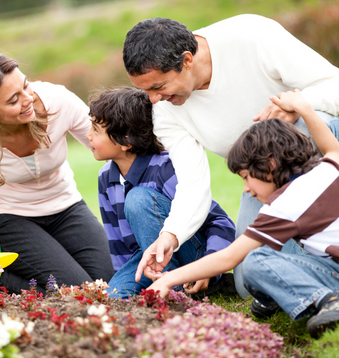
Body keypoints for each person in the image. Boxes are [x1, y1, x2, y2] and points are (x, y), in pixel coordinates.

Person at [122, 14, 339, 297]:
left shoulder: (252, 36)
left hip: (319, 154)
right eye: (145, 90)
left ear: (187, 60)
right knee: (249, 284)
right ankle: (318, 273)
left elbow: (333, 83)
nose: (153, 99)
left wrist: (300, 104)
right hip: (263, 179)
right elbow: (192, 183)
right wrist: (170, 236)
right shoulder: (165, 111)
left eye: (158, 87)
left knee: (312, 122)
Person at [141, 89, 339, 338]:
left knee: (256, 261)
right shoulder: (329, 165)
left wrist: (169, 279)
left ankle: (328, 302)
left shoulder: (285, 204)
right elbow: (329, 144)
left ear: (270, 166)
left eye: (246, 178)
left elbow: (228, 259)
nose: (246, 189)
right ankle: (277, 296)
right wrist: (304, 108)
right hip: (331, 263)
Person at [0, 53, 114, 294]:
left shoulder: (58, 102)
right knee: (77, 291)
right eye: (14, 100)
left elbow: (103, 141)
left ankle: (12, 279)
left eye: (26, 86)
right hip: (6, 215)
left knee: (108, 284)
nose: (28, 99)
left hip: (65, 207)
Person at [86, 87, 236, 299]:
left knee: (138, 199)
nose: (87, 135)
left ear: (126, 141)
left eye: (95, 129)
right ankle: (166, 290)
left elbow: (221, 222)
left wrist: (209, 266)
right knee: (112, 298)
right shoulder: (106, 178)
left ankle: (175, 294)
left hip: (192, 258)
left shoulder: (165, 169)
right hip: (146, 262)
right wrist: (122, 277)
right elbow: (118, 243)